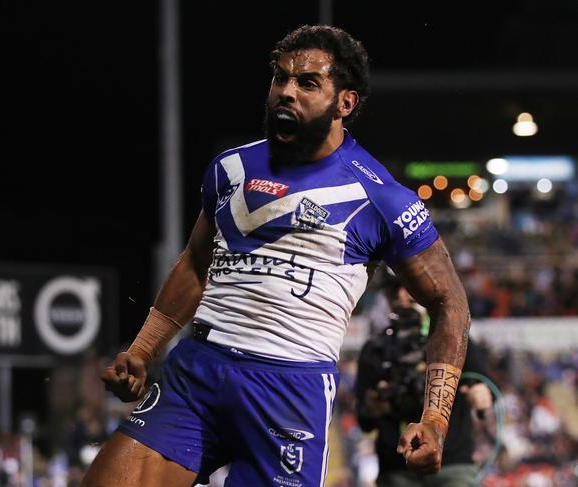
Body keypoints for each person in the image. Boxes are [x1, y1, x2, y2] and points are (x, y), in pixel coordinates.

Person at [81, 24, 471, 487]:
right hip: (197, 371)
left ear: (345, 103)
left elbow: (450, 305)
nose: (287, 92)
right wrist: (143, 351)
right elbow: (194, 263)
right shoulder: (230, 168)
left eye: (308, 83)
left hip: (289, 389)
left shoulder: (382, 198)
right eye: (280, 78)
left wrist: (436, 418)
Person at [355, 275, 493, 486]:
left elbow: (484, 385)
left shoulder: (452, 339)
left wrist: (481, 394)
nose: (404, 297)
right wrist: (371, 408)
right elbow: (364, 421)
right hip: (397, 467)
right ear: (386, 296)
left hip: (451, 463)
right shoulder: (374, 350)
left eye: (410, 287)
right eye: (395, 290)